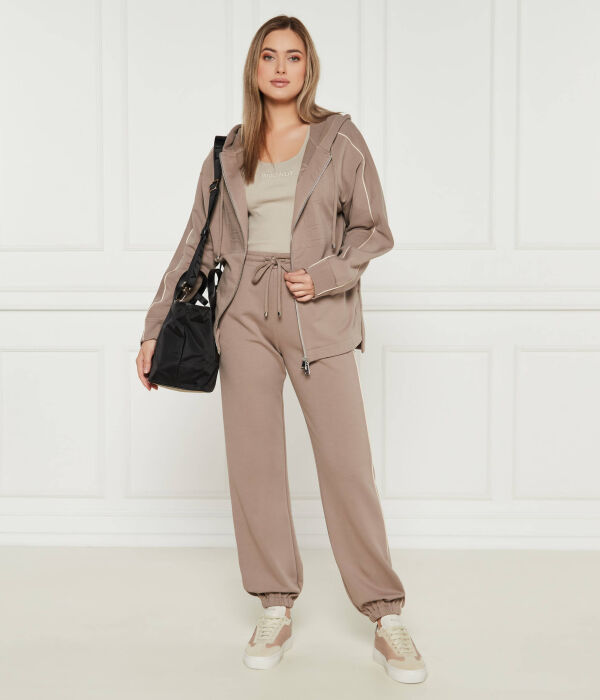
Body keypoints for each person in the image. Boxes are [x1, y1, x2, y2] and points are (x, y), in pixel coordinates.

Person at [136, 14, 427, 685]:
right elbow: (193, 245)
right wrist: (154, 327)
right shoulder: (228, 153)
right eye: (269, 56)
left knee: (346, 464)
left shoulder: (339, 139)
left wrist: (324, 275)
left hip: (314, 315)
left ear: (308, 67)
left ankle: (385, 615)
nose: (280, 68)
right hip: (240, 314)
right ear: (254, 66)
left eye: (293, 57)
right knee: (255, 465)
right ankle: (275, 603)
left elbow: (374, 230)